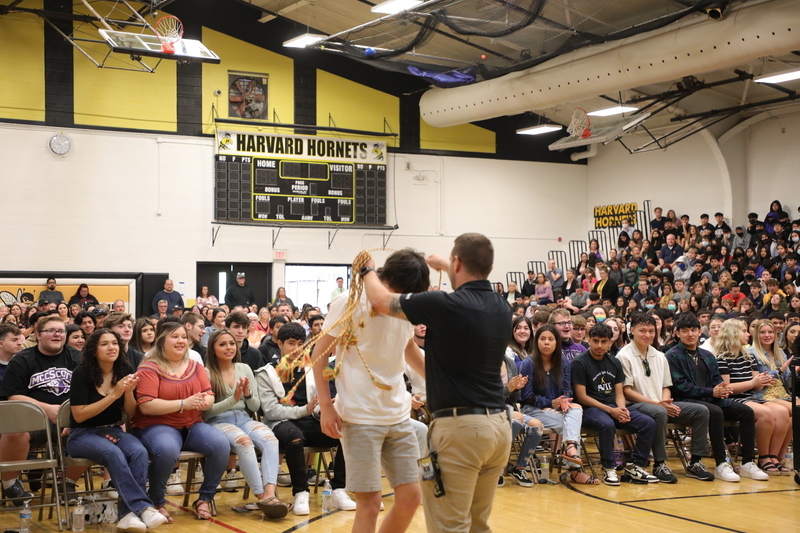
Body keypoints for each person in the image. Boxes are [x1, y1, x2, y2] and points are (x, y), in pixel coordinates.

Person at [362, 233, 512, 533]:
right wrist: (447, 265)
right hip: (499, 429)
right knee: (478, 525)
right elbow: (469, 290)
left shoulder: (443, 304)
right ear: (490, 268)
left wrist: (367, 269)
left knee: (449, 525)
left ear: (457, 263)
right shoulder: (501, 306)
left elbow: (380, 301)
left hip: (461, 431)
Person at [314, 248, 428, 533]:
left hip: (398, 414)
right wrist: (326, 406)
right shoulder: (349, 302)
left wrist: (443, 380)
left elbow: (407, 347)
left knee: (411, 498)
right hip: (359, 415)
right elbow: (319, 355)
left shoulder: (406, 307)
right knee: (370, 503)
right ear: (387, 279)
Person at [67, 329, 168, 532]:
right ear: (93, 350)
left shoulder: (124, 369)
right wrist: (115, 394)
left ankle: (127, 515)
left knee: (139, 451)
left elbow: (130, 412)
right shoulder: (81, 373)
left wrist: (128, 392)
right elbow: (79, 416)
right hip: (82, 434)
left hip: (112, 430)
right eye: (104, 344)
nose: (111, 347)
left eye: (114, 343)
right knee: (113, 453)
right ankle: (142, 508)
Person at [131, 321, 230, 522]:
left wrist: (204, 402)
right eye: (174, 337)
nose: (181, 341)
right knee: (167, 449)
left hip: (191, 424)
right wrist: (184, 403)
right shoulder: (149, 367)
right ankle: (157, 501)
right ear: (161, 341)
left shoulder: (195, 365)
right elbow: (147, 406)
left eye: (183, 337)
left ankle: (204, 499)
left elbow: (209, 395)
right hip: (156, 425)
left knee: (221, 444)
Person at [256, 323, 355, 516]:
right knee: (294, 438)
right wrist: (305, 410)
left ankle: (339, 489)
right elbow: (271, 411)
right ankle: (300, 492)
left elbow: (317, 404)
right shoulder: (266, 373)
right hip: (280, 423)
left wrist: (324, 408)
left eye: (300, 344)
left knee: (345, 433)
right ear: (279, 343)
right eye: (291, 343)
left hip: (310, 420)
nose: (296, 349)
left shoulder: (311, 370)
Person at [665, 313, 767, 482]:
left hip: (710, 398)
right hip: (686, 401)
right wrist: (711, 392)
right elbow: (680, 386)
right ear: (677, 333)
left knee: (747, 412)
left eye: (693, 330)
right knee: (715, 412)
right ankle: (721, 463)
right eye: (685, 331)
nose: (690, 334)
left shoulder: (707, 355)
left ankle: (748, 463)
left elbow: (717, 381)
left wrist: (721, 390)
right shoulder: (672, 355)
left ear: (700, 332)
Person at [203, 329, 290, 518]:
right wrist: (233, 399)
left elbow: (256, 406)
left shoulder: (244, 368)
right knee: (244, 442)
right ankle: (262, 497)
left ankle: (270, 495)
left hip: (244, 418)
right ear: (212, 349)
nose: (229, 348)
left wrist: (248, 394)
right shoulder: (206, 373)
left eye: (231, 343)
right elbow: (206, 412)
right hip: (218, 421)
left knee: (270, 439)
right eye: (222, 344)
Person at [617, 313, 712, 482]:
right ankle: (659, 463)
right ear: (632, 331)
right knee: (659, 413)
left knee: (701, 411)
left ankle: (695, 462)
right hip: (636, 405)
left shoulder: (660, 355)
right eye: (642, 331)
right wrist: (658, 404)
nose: (647, 335)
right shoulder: (623, 356)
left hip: (660, 403)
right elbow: (626, 391)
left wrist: (665, 402)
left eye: (651, 331)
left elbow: (666, 386)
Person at [0, 315, 85, 501]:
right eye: (51, 331)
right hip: (33, 421)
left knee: (97, 430)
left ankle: (68, 482)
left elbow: (89, 393)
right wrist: (46, 409)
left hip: (72, 419)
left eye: (61, 331)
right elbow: (14, 396)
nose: (57, 334)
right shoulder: (21, 360)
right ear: (38, 335)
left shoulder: (78, 358)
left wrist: (70, 416)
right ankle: (11, 484)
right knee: (13, 430)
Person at [572, 323, 658, 485]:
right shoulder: (580, 363)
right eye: (595, 341)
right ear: (589, 340)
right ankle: (609, 467)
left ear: (610, 342)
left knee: (648, 423)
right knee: (607, 424)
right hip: (590, 409)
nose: (599, 345)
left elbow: (619, 393)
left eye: (604, 341)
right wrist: (611, 411)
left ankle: (636, 466)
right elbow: (582, 397)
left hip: (613, 407)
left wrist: (622, 409)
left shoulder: (614, 362)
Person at [715, 319, 791, 476]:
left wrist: (762, 380)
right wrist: (753, 383)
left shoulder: (748, 357)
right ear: (733, 334)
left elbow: (757, 387)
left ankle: (773, 457)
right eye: (744, 331)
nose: (748, 334)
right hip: (734, 399)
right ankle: (763, 457)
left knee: (782, 412)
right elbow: (726, 388)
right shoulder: (722, 358)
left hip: (753, 396)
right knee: (766, 413)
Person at [519, 325, 592, 484]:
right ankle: (575, 469)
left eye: (551, 339)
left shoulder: (563, 361)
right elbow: (526, 396)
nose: (546, 342)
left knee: (576, 409)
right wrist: (550, 403)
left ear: (557, 342)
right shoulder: (528, 363)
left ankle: (570, 449)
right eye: (542, 339)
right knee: (570, 424)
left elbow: (567, 389)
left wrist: (564, 401)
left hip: (557, 408)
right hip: (533, 410)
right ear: (536, 341)